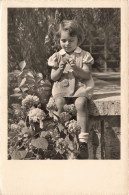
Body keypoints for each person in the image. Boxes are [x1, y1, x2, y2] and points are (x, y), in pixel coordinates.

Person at [48, 20, 94, 159]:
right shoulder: (57, 56)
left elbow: (86, 75)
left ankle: (83, 142)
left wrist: (76, 68)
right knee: (59, 104)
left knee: (80, 104)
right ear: (59, 40)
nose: (67, 44)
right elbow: (53, 78)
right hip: (62, 88)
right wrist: (60, 68)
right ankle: (58, 137)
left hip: (80, 88)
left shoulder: (84, 55)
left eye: (71, 40)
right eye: (64, 40)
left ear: (78, 40)